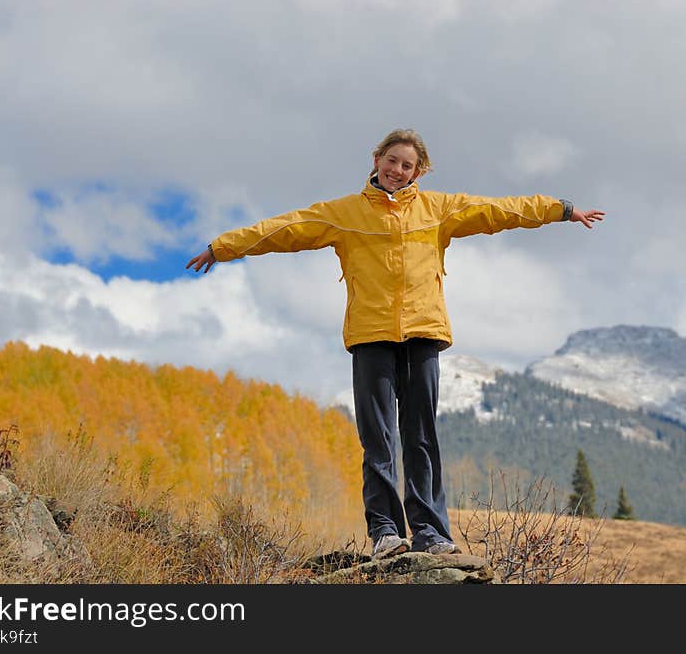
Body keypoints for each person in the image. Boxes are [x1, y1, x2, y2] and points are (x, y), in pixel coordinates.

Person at [187, 128, 605, 560]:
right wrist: (222, 248)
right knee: (379, 437)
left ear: (418, 172)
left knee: (420, 436)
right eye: (391, 161)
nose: (397, 170)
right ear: (376, 160)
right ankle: (385, 532)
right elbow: (284, 229)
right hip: (371, 336)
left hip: (424, 332)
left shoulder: (439, 209)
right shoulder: (344, 213)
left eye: (407, 165)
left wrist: (562, 210)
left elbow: (500, 210)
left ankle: (430, 532)